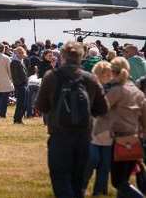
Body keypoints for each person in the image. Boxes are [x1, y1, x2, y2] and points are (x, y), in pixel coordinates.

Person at [36, 42, 108, 198]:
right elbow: (103, 109)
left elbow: (41, 106)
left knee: (60, 179)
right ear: (81, 57)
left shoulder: (52, 77)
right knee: (78, 183)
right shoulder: (90, 78)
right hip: (83, 137)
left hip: (59, 136)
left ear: (62, 57)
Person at [105, 57, 146, 197]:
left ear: (113, 72)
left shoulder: (117, 91)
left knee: (118, 182)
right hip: (135, 140)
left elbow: (101, 110)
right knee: (124, 180)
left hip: (120, 140)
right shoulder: (138, 91)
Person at [82, 61, 114, 196]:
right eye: (107, 74)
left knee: (105, 165)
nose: (110, 76)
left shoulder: (112, 89)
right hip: (93, 131)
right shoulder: (90, 87)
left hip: (108, 133)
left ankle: (100, 191)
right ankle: (81, 186)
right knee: (92, 160)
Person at [10, 47, 29, 124]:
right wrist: (20, 85)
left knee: (23, 103)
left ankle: (19, 119)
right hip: (20, 85)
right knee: (21, 103)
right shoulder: (14, 62)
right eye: (19, 53)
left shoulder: (21, 61)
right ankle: (17, 119)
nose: (21, 54)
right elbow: (15, 76)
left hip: (23, 84)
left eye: (22, 52)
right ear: (16, 53)